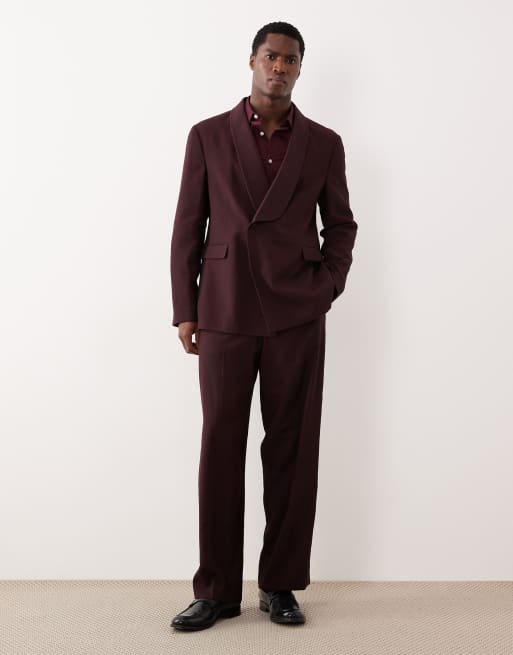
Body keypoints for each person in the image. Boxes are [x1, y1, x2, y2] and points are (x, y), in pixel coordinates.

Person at [169, 21, 357, 631]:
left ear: (300, 69)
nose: (279, 67)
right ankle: (217, 590)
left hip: (297, 311)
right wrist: (186, 307)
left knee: (293, 450)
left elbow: (341, 225)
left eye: (291, 60)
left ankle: (280, 585)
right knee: (220, 447)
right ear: (252, 60)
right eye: (271, 56)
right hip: (224, 309)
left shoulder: (324, 143)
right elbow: (188, 226)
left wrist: (326, 286)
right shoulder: (207, 135)